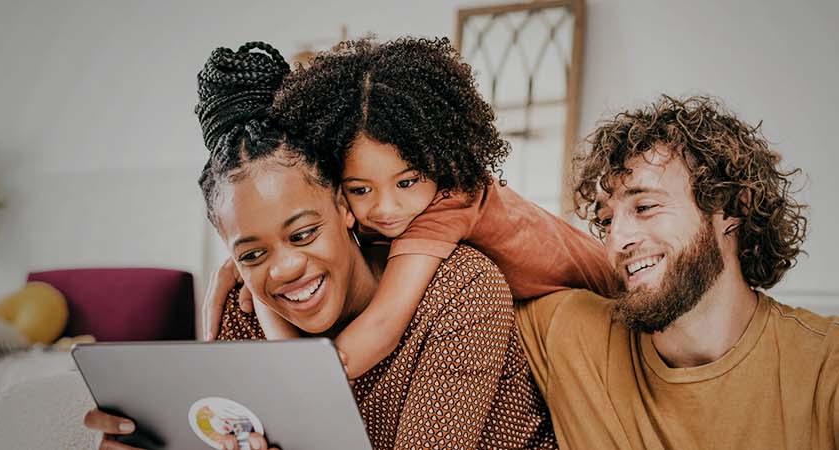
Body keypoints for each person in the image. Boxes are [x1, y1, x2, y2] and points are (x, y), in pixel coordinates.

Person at [85, 41, 555, 450]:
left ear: (342, 205)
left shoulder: (459, 289)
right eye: (252, 253)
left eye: (303, 234)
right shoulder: (244, 312)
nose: (285, 268)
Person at [203, 36, 621, 379]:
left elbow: (382, 328)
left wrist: (292, 383)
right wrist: (245, 266)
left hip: (609, 296)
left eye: (407, 181)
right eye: (359, 189)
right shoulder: (396, 210)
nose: (386, 209)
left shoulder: (446, 204)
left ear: (440, 161)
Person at [514, 95, 836, 449]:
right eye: (607, 221)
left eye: (645, 207)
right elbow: (468, 210)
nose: (617, 240)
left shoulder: (824, 365)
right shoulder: (569, 331)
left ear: (731, 207)